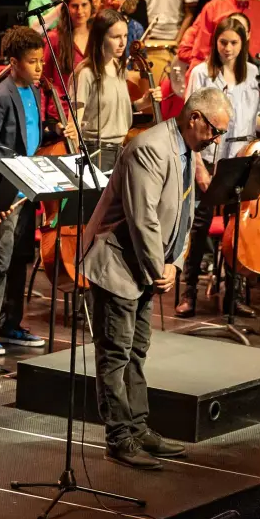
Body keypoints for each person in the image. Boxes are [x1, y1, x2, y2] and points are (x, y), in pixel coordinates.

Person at [79, 89, 232, 469]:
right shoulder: (149, 148)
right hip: (119, 264)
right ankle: (119, 437)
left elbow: (184, 214)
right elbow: (141, 218)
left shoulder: (185, 150)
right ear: (194, 117)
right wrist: (158, 267)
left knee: (137, 350)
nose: (216, 140)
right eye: (215, 131)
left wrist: (175, 263)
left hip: (148, 268)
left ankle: (138, 426)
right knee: (115, 354)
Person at [0, 27, 76, 354]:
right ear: (13, 62)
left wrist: (55, 130)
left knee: (19, 260)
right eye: (32, 62)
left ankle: (8, 324)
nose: (39, 68)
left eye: (41, 61)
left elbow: (30, 137)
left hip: (28, 188)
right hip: (4, 193)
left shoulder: (34, 92)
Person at [177, 16, 260, 318]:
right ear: (215, 42)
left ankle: (234, 293)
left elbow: (254, 118)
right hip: (210, 157)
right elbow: (190, 121)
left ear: (243, 44)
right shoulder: (202, 73)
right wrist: (199, 166)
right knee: (199, 225)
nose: (227, 48)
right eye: (223, 42)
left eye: (234, 43)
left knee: (235, 227)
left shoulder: (253, 74)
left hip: (241, 158)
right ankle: (189, 291)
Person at [72, 10, 139, 172]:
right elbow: (75, 122)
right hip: (97, 150)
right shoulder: (87, 73)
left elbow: (118, 110)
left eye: (125, 36)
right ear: (101, 38)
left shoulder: (119, 67)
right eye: (116, 37)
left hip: (122, 147)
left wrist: (145, 101)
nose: (123, 43)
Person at [41, 0, 94, 125]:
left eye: (84, 5)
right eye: (74, 6)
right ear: (66, 8)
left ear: (91, 6)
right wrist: (42, 120)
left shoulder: (98, 37)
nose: (80, 10)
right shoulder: (53, 38)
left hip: (92, 113)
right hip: (62, 115)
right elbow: (42, 80)